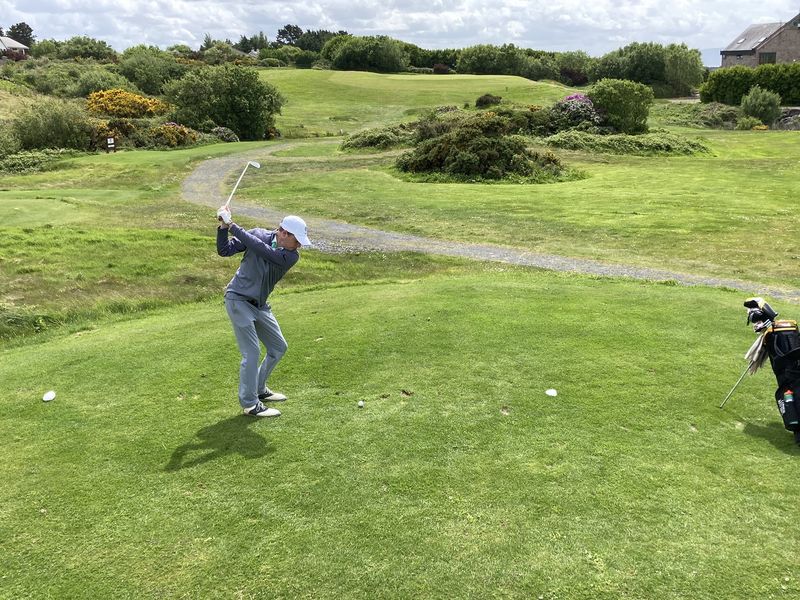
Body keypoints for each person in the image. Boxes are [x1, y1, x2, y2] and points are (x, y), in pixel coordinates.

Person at [216, 204, 311, 417]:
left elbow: (263, 250)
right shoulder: (258, 233)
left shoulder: (290, 256)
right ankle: (250, 404)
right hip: (238, 300)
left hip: (259, 305)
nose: (299, 246)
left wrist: (233, 225)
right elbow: (225, 250)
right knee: (251, 352)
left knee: (278, 347)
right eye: (297, 240)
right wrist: (223, 227)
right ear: (284, 233)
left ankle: (259, 390)